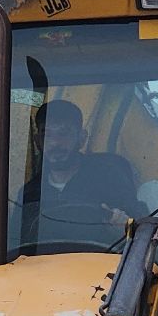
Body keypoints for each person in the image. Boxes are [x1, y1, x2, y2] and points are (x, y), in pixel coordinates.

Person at [21, 99, 139, 249]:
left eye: (64, 133)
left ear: (82, 138)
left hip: (104, 269)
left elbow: (143, 234)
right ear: (38, 141)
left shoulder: (111, 179)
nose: (55, 143)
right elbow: (16, 245)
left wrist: (125, 228)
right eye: (47, 135)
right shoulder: (29, 194)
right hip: (42, 270)